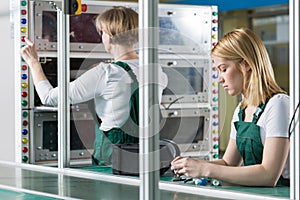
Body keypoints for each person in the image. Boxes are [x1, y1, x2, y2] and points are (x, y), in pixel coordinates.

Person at [20, 6, 168, 166]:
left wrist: (33, 62)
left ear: (109, 36)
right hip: (148, 156)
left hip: (114, 159)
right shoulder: (155, 69)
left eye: (102, 32)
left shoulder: (106, 72)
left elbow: (49, 98)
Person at [171, 28, 290, 187]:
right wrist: (192, 165)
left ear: (246, 64)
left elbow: (268, 175)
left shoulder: (278, 104)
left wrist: (205, 168)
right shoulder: (241, 110)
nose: (220, 79)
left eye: (224, 69)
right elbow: (229, 163)